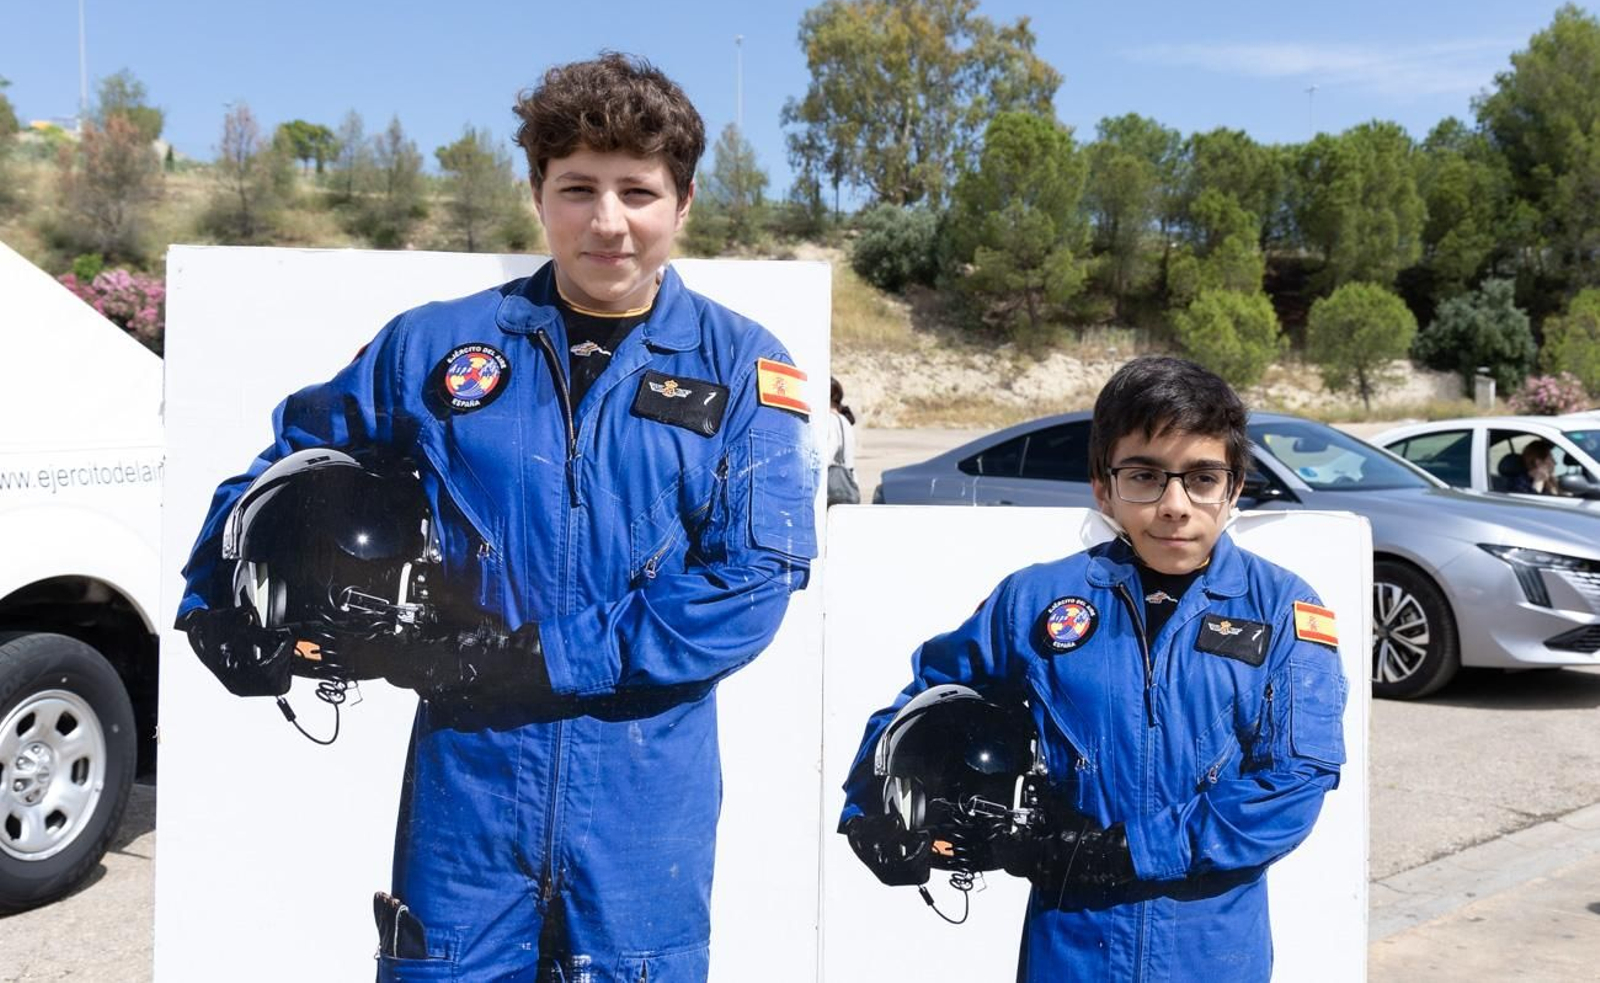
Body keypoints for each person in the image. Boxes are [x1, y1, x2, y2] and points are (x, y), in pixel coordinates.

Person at [175, 53, 817, 981]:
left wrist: (540, 657)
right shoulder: (434, 347)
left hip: (642, 803)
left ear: (683, 203)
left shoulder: (747, 369)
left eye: (638, 190)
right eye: (577, 188)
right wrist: (218, 601)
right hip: (466, 794)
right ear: (538, 194)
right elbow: (290, 460)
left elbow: (750, 586)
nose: (608, 221)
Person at [838, 357, 1346, 982]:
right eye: (1145, 476)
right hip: (1071, 946)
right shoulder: (1036, 602)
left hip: (1212, 951)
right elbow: (928, 696)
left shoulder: (1287, 611)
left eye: (1202, 478)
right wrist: (871, 809)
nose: (1174, 506)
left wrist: (1129, 853)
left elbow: (1294, 786)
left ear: (1235, 487)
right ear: (1103, 486)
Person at [826, 376, 860, 506]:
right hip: (849, 481)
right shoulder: (844, 420)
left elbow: (831, 449)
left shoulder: (830, 419)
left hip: (834, 486)